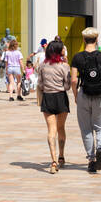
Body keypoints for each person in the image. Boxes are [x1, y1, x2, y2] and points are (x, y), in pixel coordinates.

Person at [70, 27, 101, 174]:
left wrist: (76, 95)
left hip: (84, 93)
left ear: (83, 39)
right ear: (96, 40)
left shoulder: (77, 57)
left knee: (86, 128)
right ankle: (100, 147)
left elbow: (73, 80)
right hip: (100, 95)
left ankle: (91, 160)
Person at [37, 40, 71, 174]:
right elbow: (67, 85)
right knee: (61, 127)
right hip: (61, 97)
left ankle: (53, 161)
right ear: (58, 51)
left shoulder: (42, 65)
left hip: (48, 98)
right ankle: (61, 155)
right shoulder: (64, 66)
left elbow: (40, 84)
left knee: (51, 130)